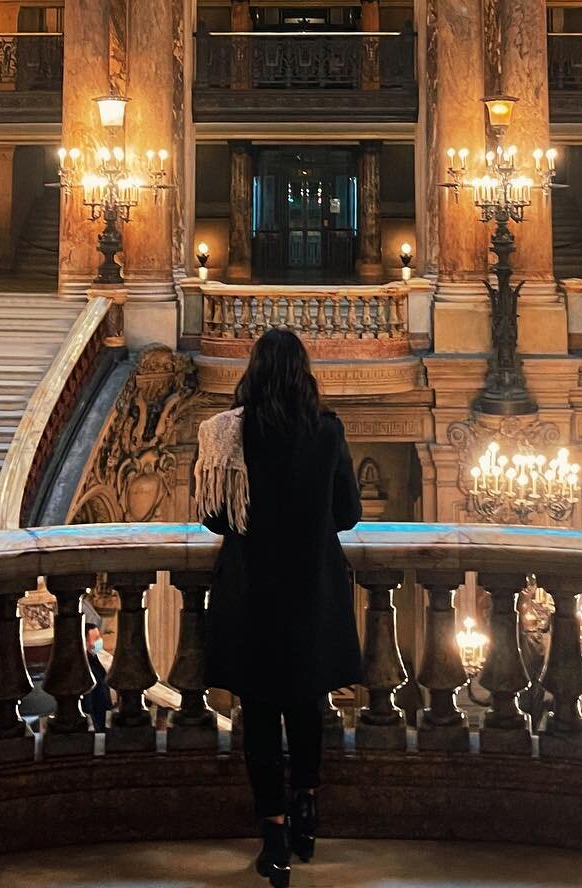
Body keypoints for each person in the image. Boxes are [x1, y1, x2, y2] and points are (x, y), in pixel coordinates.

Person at [194, 328, 362, 887]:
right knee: (309, 703)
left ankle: (274, 834)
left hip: (252, 591)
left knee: (260, 715)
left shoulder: (230, 435)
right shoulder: (327, 430)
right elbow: (348, 514)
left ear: (254, 372)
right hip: (312, 587)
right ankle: (308, 808)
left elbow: (216, 519)